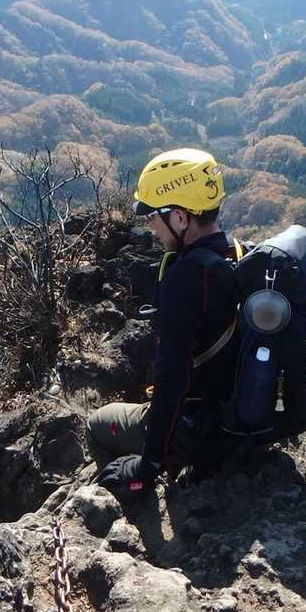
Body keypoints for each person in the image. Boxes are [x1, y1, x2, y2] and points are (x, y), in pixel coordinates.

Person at [88, 147, 242, 499]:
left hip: (201, 430)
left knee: (97, 424)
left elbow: (172, 381)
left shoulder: (184, 278)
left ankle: (132, 502)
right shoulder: (238, 253)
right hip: (240, 419)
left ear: (180, 217)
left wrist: (147, 466)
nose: (151, 227)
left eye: (154, 216)